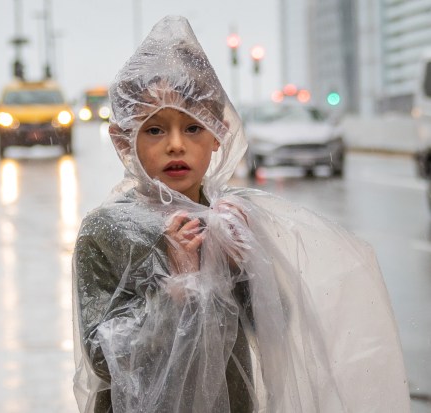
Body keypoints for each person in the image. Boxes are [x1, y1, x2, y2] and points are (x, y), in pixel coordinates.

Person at [72, 16, 410, 413]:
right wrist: (175, 290)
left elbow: (274, 326)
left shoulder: (229, 219)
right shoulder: (106, 230)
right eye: (154, 130)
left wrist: (245, 264)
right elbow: (102, 355)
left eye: (194, 128)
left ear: (218, 133)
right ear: (122, 138)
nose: (176, 145)